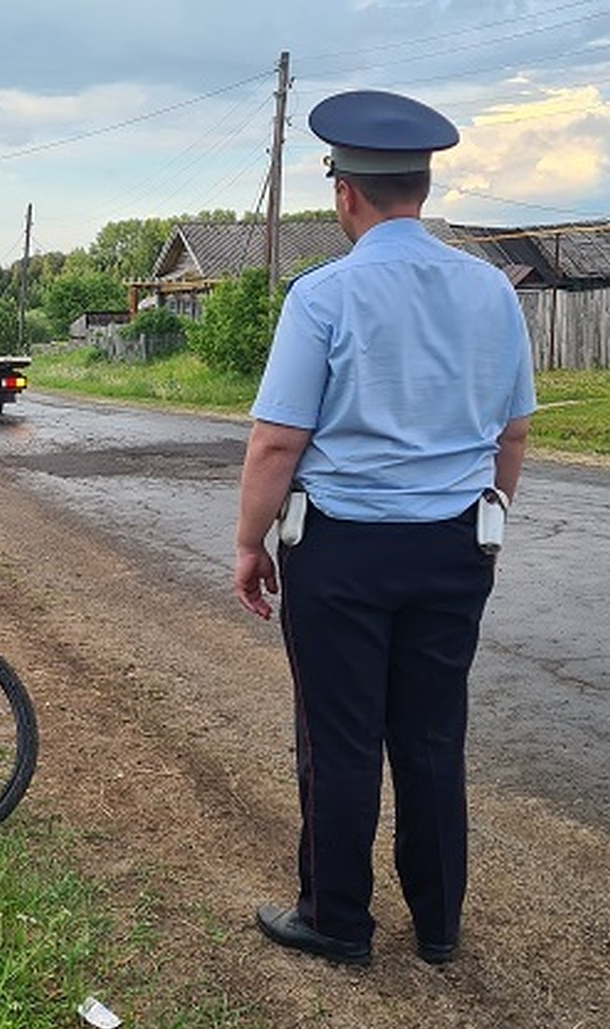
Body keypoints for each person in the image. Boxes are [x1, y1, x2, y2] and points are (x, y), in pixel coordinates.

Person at [234, 90, 535, 967]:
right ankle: (439, 926)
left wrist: (252, 545)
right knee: (434, 735)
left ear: (346, 194)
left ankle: (338, 920)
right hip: (454, 544)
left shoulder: (324, 295)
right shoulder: (491, 291)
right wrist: (493, 518)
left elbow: (276, 442)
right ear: (423, 186)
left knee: (341, 738)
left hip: (344, 550)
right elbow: (511, 433)